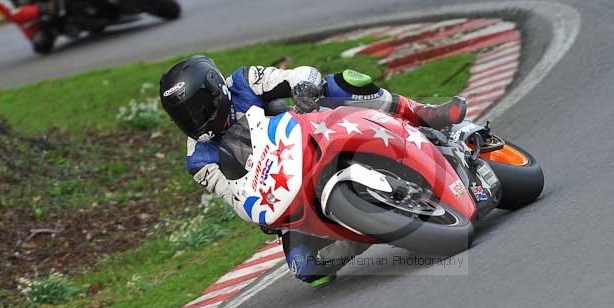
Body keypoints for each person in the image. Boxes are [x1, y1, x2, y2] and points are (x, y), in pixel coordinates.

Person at [159, 55, 466, 286]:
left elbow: (298, 75)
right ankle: (374, 225)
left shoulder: (243, 82)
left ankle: (422, 113)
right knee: (306, 268)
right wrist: (261, 214)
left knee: (343, 81)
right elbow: (234, 196)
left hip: (317, 131)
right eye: (183, 116)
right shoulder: (198, 159)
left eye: (198, 109)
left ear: (215, 91)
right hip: (291, 194)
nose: (194, 121)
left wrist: (304, 86)